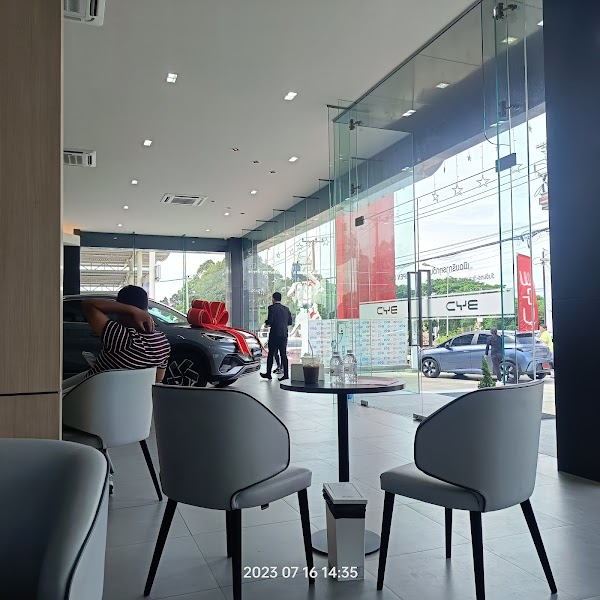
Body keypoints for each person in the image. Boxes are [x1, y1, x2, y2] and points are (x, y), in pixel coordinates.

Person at [62, 286, 171, 390]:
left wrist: (132, 310)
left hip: (96, 395)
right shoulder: (162, 341)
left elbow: (87, 304)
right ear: (146, 307)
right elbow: (158, 377)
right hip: (136, 401)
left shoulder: (121, 336)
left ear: (122, 310)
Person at [260, 291, 292, 382]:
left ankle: (268, 374)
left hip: (274, 334)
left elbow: (270, 321)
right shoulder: (286, 309)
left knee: (271, 354)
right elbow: (290, 322)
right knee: (283, 354)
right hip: (284, 334)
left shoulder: (271, 308)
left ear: (273, 299)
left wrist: (266, 323)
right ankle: (286, 375)